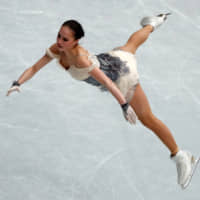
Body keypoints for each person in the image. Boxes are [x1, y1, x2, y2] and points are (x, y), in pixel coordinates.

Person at [6, 13, 197, 189]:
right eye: (59, 36)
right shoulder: (58, 49)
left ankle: (181, 155)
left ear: (76, 41)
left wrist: (124, 104)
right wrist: (18, 82)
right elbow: (34, 67)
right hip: (110, 59)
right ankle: (152, 24)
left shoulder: (81, 59)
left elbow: (106, 81)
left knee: (147, 118)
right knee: (129, 48)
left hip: (121, 77)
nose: (59, 41)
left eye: (65, 39)